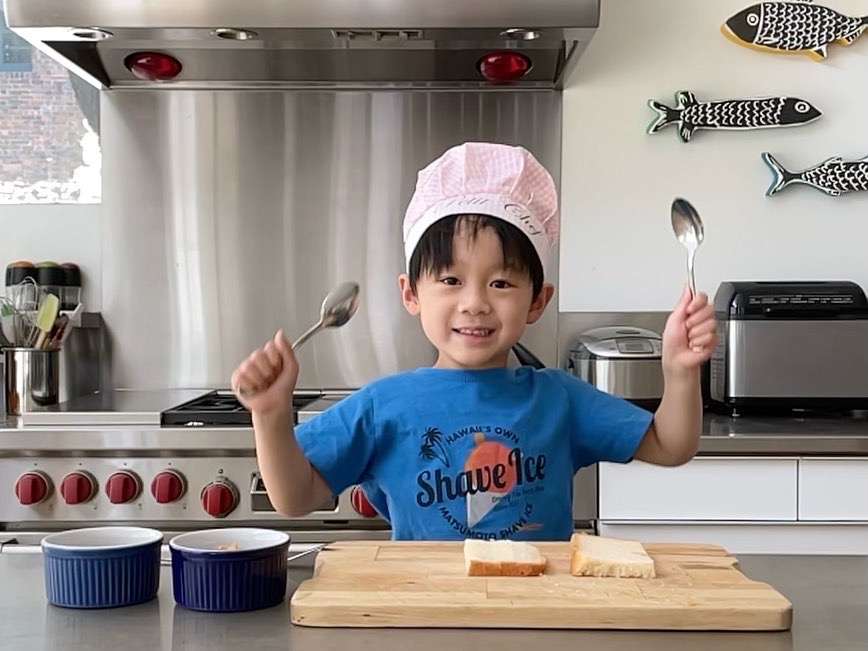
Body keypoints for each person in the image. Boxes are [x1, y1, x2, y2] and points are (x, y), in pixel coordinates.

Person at [230, 142, 718, 541]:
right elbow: (296, 498)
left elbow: (669, 445)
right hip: (428, 622)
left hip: (541, 621)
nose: (475, 303)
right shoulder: (384, 405)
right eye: (450, 280)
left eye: (501, 283)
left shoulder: (558, 397)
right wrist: (271, 416)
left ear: (537, 301)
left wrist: (679, 372)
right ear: (411, 293)